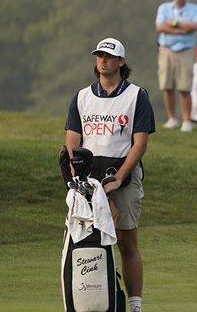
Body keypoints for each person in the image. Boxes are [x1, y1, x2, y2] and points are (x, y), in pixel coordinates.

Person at [65, 38, 155, 312]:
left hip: (123, 178)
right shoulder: (81, 97)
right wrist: (76, 174)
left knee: (126, 241)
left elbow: (140, 143)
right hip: (89, 184)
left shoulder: (136, 95)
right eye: (99, 55)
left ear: (121, 62)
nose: (103, 60)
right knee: (87, 241)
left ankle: (135, 304)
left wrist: (119, 177)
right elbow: (72, 138)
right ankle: (93, 302)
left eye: (109, 56)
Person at [155, 0, 197, 132]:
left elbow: (195, 25)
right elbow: (160, 26)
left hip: (186, 50)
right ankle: (172, 118)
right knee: (167, 86)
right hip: (166, 49)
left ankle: (187, 120)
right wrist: (181, 27)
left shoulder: (194, 9)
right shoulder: (164, 7)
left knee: (184, 87)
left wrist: (172, 23)